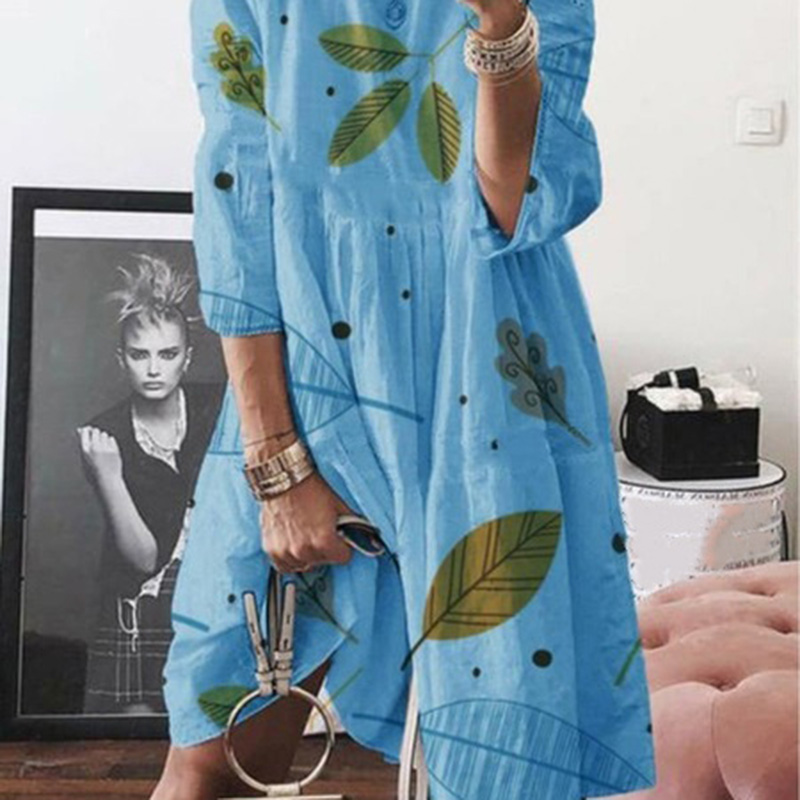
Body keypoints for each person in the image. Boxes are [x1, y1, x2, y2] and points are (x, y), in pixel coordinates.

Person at [153, 0, 658, 797]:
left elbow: (516, 201)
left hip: (489, 374)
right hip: (306, 371)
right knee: (213, 757)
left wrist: (501, 27)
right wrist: (275, 461)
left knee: (500, 759)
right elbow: (237, 193)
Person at [78, 254, 224, 714]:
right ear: (122, 360)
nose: (154, 369)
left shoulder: (218, 409)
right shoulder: (104, 437)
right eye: (140, 355)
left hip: (210, 595)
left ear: (188, 358)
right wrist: (108, 476)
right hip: (137, 609)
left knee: (213, 719)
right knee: (138, 728)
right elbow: (142, 559)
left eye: (168, 354)